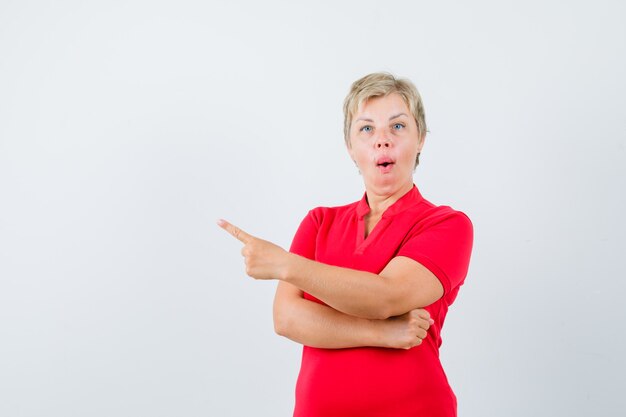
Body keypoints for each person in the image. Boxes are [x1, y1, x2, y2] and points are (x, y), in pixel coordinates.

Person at [218, 72, 473, 417]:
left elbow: (388, 296)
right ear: (350, 148)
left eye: (397, 127)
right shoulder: (319, 222)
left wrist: (285, 265)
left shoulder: (446, 224)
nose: (382, 140)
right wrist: (382, 333)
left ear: (421, 140)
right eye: (366, 129)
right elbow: (287, 318)